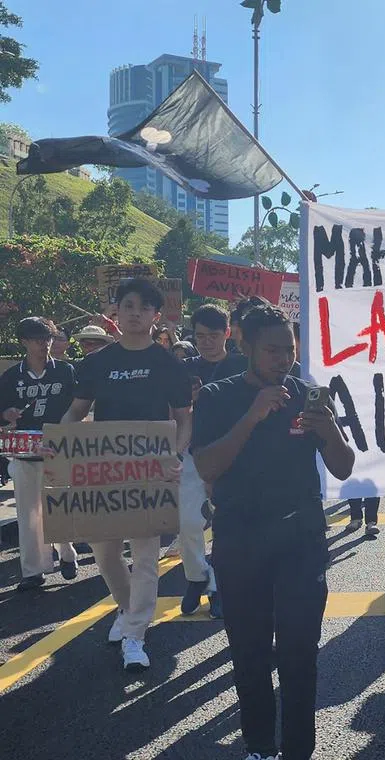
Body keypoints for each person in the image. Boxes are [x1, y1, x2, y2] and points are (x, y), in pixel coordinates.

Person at [192, 304, 354, 760]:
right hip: (240, 539)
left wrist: (331, 431)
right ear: (245, 346)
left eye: (290, 350)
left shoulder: (308, 394)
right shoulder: (219, 396)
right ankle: (260, 745)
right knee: (250, 651)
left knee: (301, 653)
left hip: (301, 539)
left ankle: (299, 749)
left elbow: (343, 466)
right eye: (272, 351)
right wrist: (253, 415)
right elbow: (207, 465)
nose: (283, 360)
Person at [59, 279, 192, 671]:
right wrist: (60, 443)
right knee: (105, 552)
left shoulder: (169, 364)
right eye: (127, 305)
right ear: (116, 312)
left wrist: (177, 453)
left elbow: (185, 419)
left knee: (147, 557)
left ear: (156, 314)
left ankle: (135, 634)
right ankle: (127, 608)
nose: (135, 313)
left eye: (143, 307)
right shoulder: (97, 362)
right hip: (104, 473)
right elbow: (76, 412)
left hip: (151, 472)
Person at [0, 317, 79, 591]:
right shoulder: (11, 377)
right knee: (28, 513)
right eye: (37, 339)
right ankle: (32, 571)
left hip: (59, 448)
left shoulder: (66, 371)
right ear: (24, 342)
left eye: (47, 338)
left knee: (60, 505)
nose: (43, 344)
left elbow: (78, 406)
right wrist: (5, 414)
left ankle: (67, 553)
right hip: (24, 453)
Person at [178, 303, 239, 620]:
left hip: (234, 454)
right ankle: (197, 575)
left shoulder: (243, 365)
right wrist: (186, 401)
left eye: (213, 335)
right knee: (187, 522)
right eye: (199, 335)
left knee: (227, 526)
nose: (205, 342)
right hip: (192, 452)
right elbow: (169, 409)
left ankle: (217, 586)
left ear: (227, 333)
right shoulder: (184, 367)